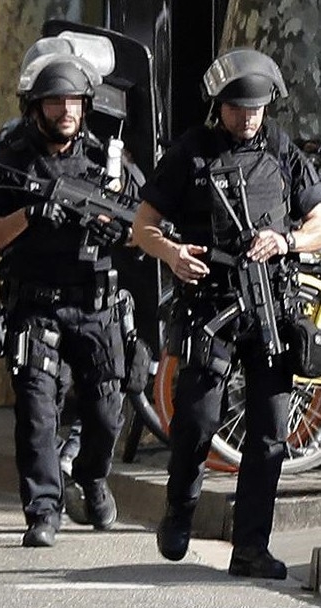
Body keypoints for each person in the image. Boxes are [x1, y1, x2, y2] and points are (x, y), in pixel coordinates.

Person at [132, 47, 321, 579]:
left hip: (271, 307)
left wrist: (284, 241)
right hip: (210, 306)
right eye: (238, 108)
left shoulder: (282, 151)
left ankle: (251, 549)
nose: (248, 117)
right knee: (196, 420)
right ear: (218, 106)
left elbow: (319, 221)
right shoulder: (191, 153)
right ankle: (181, 506)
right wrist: (171, 252)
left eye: (257, 108)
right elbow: (142, 226)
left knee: (269, 433)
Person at [0, 48, 141, 547]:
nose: (66, 111)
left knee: (106, 410)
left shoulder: (106, 158)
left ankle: (90, 477)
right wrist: (30, 216)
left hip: (96, 304)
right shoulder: (13, 156)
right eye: (55, 101)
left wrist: (120, 235)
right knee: (37, 411)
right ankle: (43, 509)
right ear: (35, 105)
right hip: (36, 305)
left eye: (74, 102)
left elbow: (144, 225)